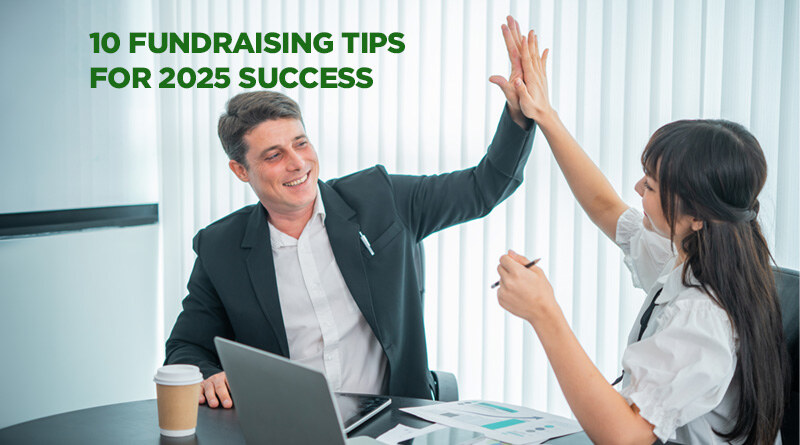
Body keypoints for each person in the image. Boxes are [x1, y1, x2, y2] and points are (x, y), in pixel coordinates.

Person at [164, 18, 538, 410]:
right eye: (274, 155)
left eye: (301, 143)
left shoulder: (382, 199)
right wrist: (209, 375)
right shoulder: (220, 247)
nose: (298, 164)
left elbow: (484, 188)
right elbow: (186, 346)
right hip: (288, 427)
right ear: (241, 170)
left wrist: (518, 114)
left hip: (392, 422)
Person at [494, 20, 788, 444]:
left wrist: (544, 312)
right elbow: (605, 207)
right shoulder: (696, 255)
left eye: (650, 186)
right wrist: (546, 116)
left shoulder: (703, 316)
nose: (637, 190)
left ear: (697, 215)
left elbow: (626, 437)